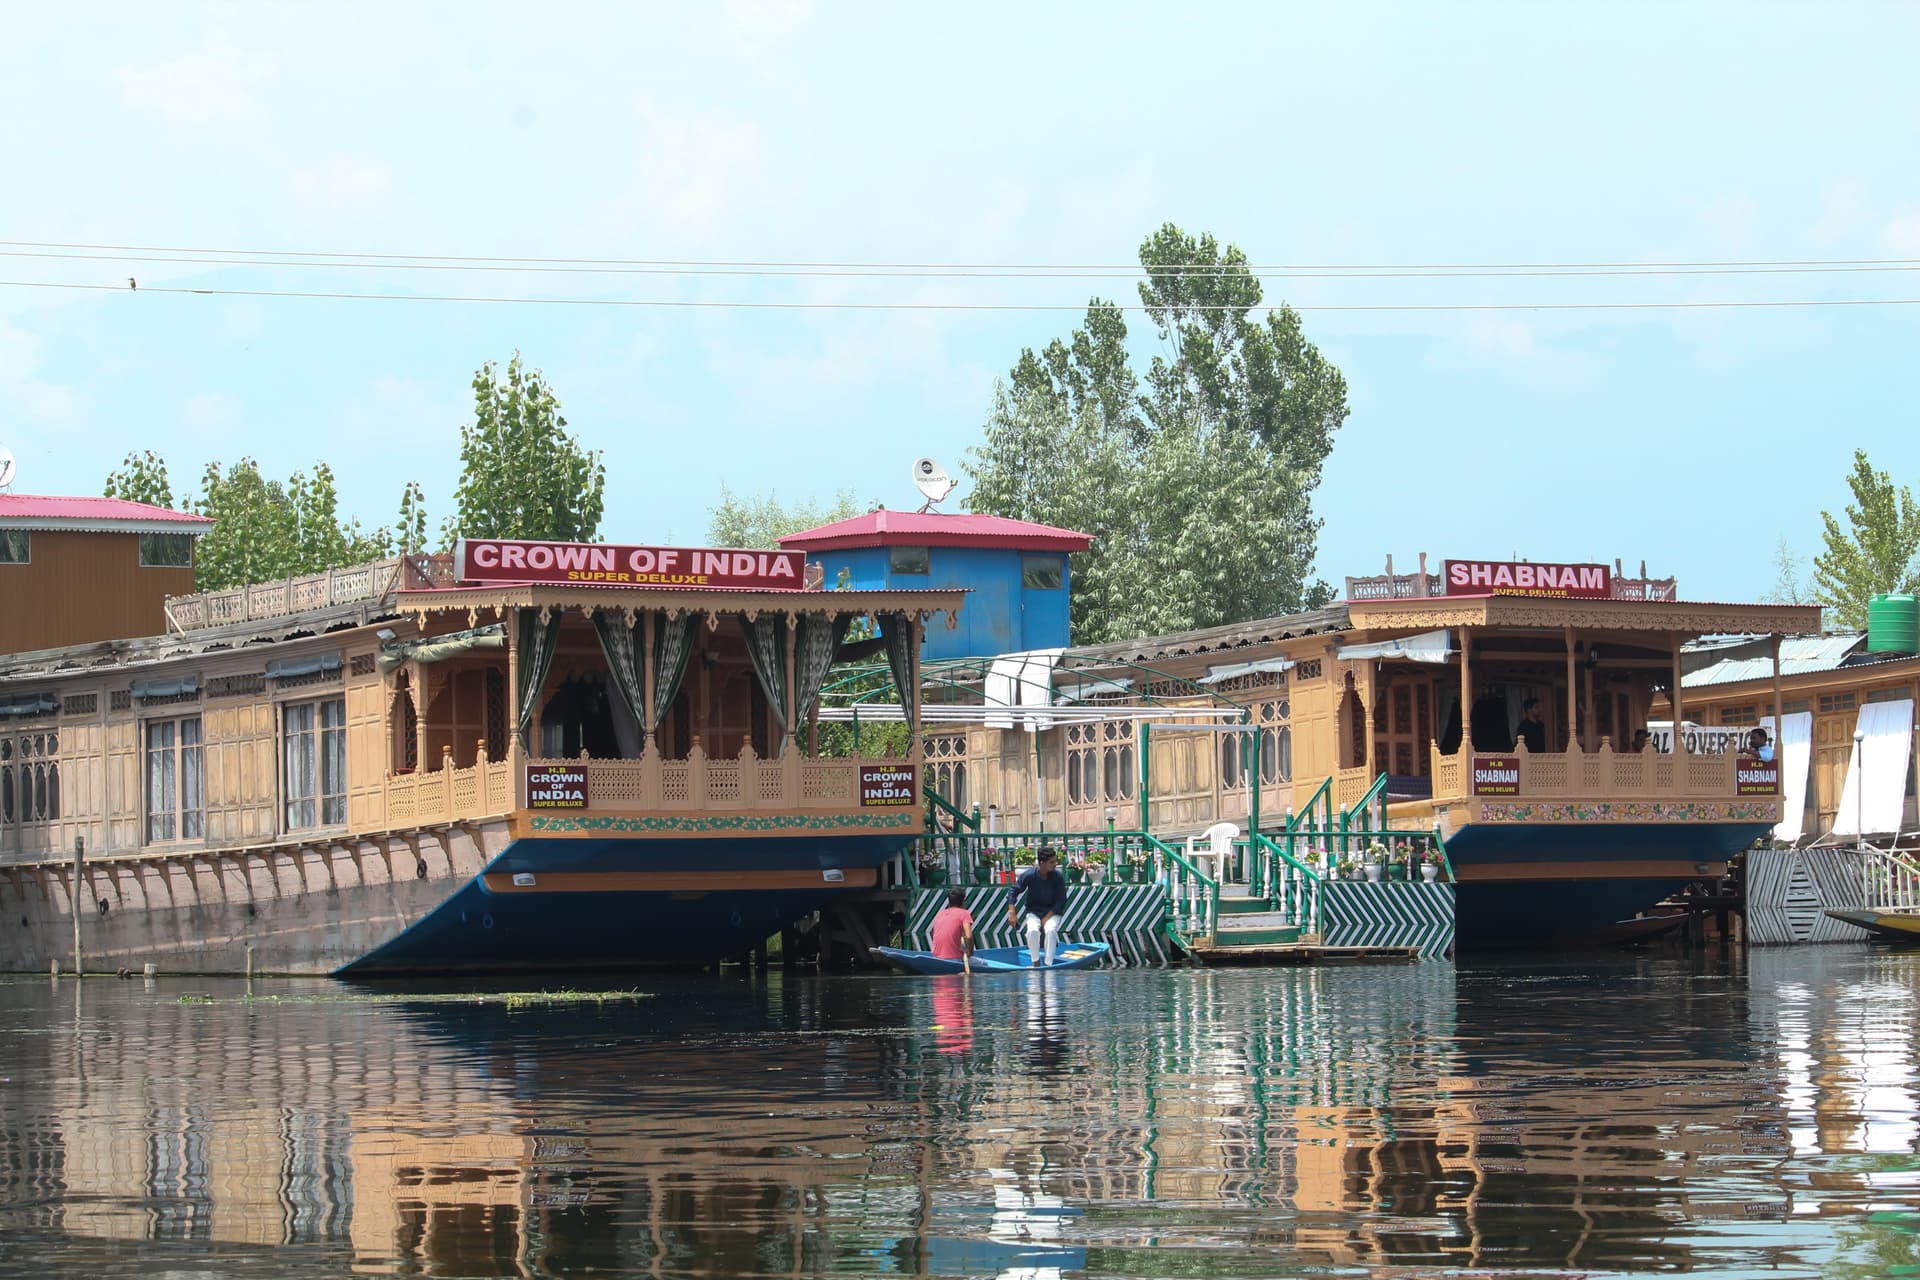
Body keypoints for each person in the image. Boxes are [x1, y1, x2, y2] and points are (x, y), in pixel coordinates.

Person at [1007, 847, 1068, 967]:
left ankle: (1048, 964)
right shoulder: (1029, 875)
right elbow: (1013, 890)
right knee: (1032, 930)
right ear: (1042, 863)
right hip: (1034, 912)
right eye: (1052, 862)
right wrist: (1012, 912)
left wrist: (1046, 918)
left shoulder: (1057, 877)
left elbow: (1061, 900)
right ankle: (1035, 962)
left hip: (1052, 912)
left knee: (1050, 930)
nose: (1055, 864)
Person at [929, 887, 974, 962]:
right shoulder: (964, 913)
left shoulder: (941, 914)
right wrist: (970, 953)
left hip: (937, 957)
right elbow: (969, 936)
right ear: (963, 901)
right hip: (955, 958)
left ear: (949, 901)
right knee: (984, 963)